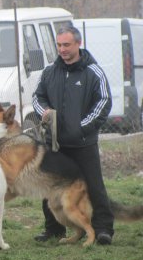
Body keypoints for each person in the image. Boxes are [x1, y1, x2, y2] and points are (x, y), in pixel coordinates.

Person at [32, 25, 114, 245]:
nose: (62, 49)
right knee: (51, 186)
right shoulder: (49, 71)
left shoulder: (93, 71)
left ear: (78, 44)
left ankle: (104, 229)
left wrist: (81, 127)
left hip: (83, 143)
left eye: (66, 44)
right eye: (59, 45)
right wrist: (45, 113)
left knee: (94, 186)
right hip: (55, 143)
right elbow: (37, 98)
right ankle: (53, 229)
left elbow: (104, 102)